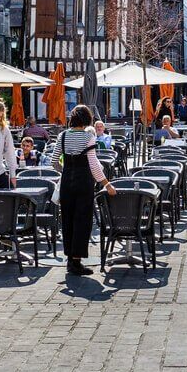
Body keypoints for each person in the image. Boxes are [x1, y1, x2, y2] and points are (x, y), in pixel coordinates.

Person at [50, 105, 116, 276]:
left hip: (66, 182)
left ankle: (70, 259)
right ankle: (77, 261)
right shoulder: (89, 136)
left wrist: (66, 169)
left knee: (67, 219)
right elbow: (94, 165)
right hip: (83, 182)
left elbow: (54, 161)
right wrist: (107, 184)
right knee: (82, 220)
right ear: (88, 119)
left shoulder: (62, 136)